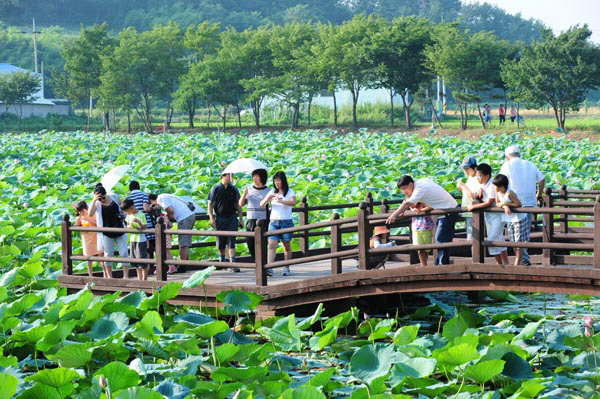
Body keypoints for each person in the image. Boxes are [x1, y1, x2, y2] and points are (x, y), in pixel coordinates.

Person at [386, 175, 458, 265]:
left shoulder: (420, 189)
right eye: (401, 190)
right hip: (445, 210)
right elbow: (407, 201)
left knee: (440, 239)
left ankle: (442, 265)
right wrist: (403, 210)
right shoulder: (420, 182)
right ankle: (441, 264)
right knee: (442, 239)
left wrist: (394, 215)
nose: (404, 192)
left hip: (448, 210)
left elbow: (408, 203)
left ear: (411, 184)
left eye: (404, 188)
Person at [500, 145, 545, 266]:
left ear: (507, 156)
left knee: (515, 235)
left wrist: (503, 203)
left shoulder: (506, 165)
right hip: (529, 203)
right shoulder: (530, 164)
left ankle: (522, 261)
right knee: (524, 234)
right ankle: (522, 260)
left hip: (514, 204)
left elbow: (501, 184)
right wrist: (538, 194)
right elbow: (542, 179)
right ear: (519, 154)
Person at [467, 164, 508, 265]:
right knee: (499, 238)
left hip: (497, 216)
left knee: (492, 240)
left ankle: (500, 265)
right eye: (477, 176)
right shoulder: (482, 184)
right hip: (489, 216)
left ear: (487, 176)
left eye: (480, 176)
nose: (478, 178)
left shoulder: (492, 186)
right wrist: (480, 189)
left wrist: (474, 207)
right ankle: (506, 263)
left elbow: (489, 202)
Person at [149, 192, 196, 273]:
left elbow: (170, 210)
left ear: (152, 200)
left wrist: (170, 218)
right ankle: (181, 264)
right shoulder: (165, 195)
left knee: (183, 243)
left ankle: (182, 266)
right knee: (185, 242)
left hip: (184, 217)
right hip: (189, 215)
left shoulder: (160, 199)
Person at [260, 171, 296, 276]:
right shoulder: (272, 191)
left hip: (286, 222)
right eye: (275, 181)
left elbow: (293, 202)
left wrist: (280, 201)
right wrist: (268, 198)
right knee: (271, 245)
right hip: (274, 221)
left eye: (278, 180)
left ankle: (286, 267)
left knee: (286, 246)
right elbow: (261, 204)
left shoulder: (290, 191)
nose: (277, 183)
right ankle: (269, 267)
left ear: (283, 181)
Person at [88, 185, 128, 278]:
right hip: (106, 232)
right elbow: (90, 214)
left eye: (103, 197)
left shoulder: (113, 196)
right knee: (108, 255)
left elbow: (123, 206)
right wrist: (94, 200)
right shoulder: (97, 203)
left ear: (106, 194)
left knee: (124, 253)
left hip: (119, 228)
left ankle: (125, 275)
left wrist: (123, 214)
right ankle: (110, 277)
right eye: (99, 198)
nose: (102, 199)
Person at [208, 173, 244, 272]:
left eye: (231, 175)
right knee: (221, 242)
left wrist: (241, 219)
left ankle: (233, 263)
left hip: (232, 218)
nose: (230, 178)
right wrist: (211, 217)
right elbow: (210, 204)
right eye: (228, 175)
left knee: (231, 241)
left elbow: (238, 205)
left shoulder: (234, 189)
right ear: (223, 176)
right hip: (219, 218)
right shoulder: (215, 189)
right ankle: (222, 261)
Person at [494, 174, 528, 266]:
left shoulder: (510, 193)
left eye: (496, 186)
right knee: (513, 242)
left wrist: (506, 203)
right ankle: (518, 262)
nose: (494, 187)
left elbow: (518, 204)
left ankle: (516, 264)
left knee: (518, 243)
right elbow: (497, 203)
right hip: (510, 219)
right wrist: (505, 205)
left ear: (501, 186)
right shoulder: (497, 192)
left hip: (518, 219)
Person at [239, 169, 270, 261]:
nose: (254, 178)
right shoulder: (249, 189)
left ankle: (263, 264)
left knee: (263, 243)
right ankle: (256, 262)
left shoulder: (269, 191)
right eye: (253, 176)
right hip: (251, 219)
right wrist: (244, 194)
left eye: (257, 176)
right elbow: (240, 204)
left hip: (263, 220)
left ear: (262, 178)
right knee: (250, 243)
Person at [74, 201, 103, 277]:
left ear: (86, 208)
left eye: (82, 210)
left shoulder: (92, 213)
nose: (81, 212)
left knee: (101, 256)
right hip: (86, 239)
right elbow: (77, 226)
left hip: (96, 237)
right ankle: (90, 276)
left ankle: (105, 274)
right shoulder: (79, 217)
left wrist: (88, 219)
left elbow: (98, 224)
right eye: (79, 211)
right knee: (88, 258)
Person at [126, 181, 155, 259]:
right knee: (151, 245)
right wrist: (152, 208)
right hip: (145, 221)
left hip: (133, 223)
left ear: (130, 189)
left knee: (139, 246)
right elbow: (146, 208)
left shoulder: (128, 197)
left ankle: (144, 266)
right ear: (139, 187)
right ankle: (151, 264)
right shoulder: (144, 195)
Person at [121, 199, 148, 281]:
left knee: (142, 260)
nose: (127, 213)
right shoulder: (129, 216)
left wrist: (138, 222)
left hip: (141, 240)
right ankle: (139, 279)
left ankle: (144, 279)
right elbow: (128, 226)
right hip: (133, 239)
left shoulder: (141, 215)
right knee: (135, 260)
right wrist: (130, 226)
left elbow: (145, 227)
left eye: (127, 211)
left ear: (132, 208)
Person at [456, 156, 479, 240]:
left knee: (472, 239)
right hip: (468, 211)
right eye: (464, 168)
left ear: (474, 167)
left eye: (467, 168)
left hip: (473, 213)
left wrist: (463, 187)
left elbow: (473, 197)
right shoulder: (470, 177)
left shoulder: (477, 178)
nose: (465, 171)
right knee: (471, 238)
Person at [410, 203, 435, 267]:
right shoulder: (411, 200)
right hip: (416, 228)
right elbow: (405, 205)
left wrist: (421, 210)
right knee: (419, 248)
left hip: (427, 227)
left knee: (427, 249)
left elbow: (431, 205)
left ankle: (424, 264)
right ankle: (423, 265)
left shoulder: (425, 200)